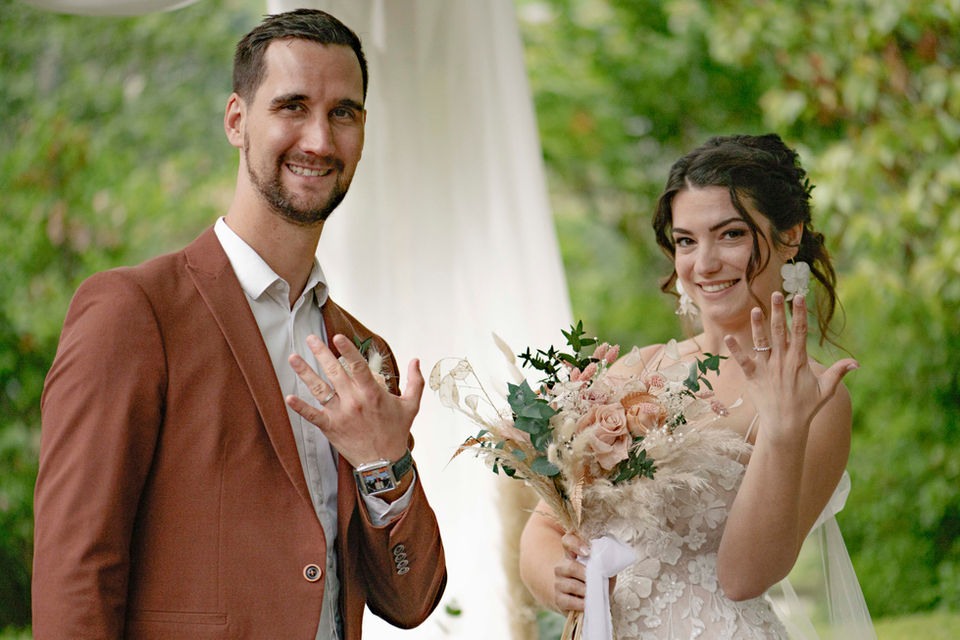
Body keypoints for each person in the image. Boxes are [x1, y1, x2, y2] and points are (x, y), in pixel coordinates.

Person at [32, 9, 446, 639]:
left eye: (343, 113)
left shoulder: (363, 353)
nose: (319, 140)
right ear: (235, 120)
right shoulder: (132, 312)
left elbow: (410, 601)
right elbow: (76, 573)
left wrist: (383, 462)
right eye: (292, 106)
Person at [519, 134, 874, 638]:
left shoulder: (816, 396)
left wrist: (781, 431)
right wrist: (558, 580)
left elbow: (743, 577)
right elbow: (545, 525)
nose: (702, 264)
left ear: (789, 236)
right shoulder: (632, 371)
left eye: (730, 234)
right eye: (686, 240)